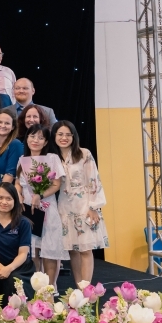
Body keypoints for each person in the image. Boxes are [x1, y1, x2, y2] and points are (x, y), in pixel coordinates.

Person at [53, 121, 109, 285]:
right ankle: (79, 286)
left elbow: (94, 180)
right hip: (64, 206)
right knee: (73, 250)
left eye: (68, 134)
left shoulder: (84, 154)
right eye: (60, 134)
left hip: (84, 205)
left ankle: (86, 288)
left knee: (85, 249)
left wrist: (93, 207)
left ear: (74, 136)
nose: (64, 138)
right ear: (54, 136)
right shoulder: (52, 157)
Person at [18, 124, 68, 288]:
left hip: (47, 208)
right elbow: (18, 182)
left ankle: (50, 288)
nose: (36, 140)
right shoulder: (22, 159)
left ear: (46, 141)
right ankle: (35, 288)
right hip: (27, 209)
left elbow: (56, 184)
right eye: (32, 136)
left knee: (50, 251)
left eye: (40, 137)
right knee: (32, 251)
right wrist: (18, 193)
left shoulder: (52, 158)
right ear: (27, 138)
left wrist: (40, 195)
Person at [0, 183, 36, 299]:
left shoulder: (24, 223)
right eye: (0, 198)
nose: (4, 202)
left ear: (15, 201)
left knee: (13, 279)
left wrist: (8, 269)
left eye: (8, 199)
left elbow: (23, 253)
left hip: (19, 267)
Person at [0, 110, 24, 197]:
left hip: (5, 194)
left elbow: (10, 174)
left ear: (13, 127)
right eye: (0, 122)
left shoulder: (15, 144)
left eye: (7, 123)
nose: (3, 125)